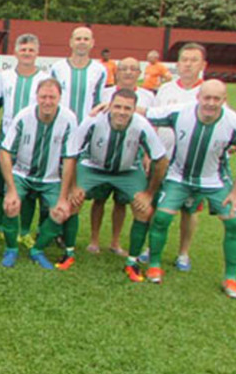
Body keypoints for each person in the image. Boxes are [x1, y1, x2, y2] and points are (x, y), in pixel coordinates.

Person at [143, 80, 236, 299]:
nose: (211, 103)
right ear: (198, 97)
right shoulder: (180, 112)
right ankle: (154, 264)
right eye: (207, 97)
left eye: (217, 99)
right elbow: (146, 112)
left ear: (225, 100)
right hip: (178, 178)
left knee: (235, 224)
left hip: (215, 182)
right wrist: (108, 106)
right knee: (161, 218)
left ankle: (230, 277)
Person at [66, 89, 169, 280]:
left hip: (127, 171)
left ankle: (132, 261)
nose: (122, 112)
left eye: (127, 108)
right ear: (110, 106)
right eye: (118, 106)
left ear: (134, 110)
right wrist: (73, 187)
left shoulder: (142, 125)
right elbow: (71, 153)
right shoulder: (93, 121)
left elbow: (161, 160)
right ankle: (69, 253)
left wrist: (149, 193)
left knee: (144, 210)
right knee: (72, 201)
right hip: (93, 167)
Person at [0, 78, 80, 270]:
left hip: (51, 178)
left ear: (60, 97)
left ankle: (38, 250)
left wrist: (63, 197)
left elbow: (69, 159)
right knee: (10, 205)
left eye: (52, 97)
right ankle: (11, 249)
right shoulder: (24, 116)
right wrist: (11, 189)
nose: (47, 101)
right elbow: (5, 151)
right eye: (43, 97)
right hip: (22, 174)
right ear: (37, 97)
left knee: (61, 212)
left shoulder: (68, 119)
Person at [140, 42, 207, 271]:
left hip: (193, 163)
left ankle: (183, 253)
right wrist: (149, 154)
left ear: (202, 64)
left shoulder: (207, 91)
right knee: (156, 203)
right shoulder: (167, 89)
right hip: (163, 158)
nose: (188, 64)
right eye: (184, 59)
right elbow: (153, 123)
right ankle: (151, 247)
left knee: (189, 210)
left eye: (193, 60)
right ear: (178, 64)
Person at [88, 57, 158, 254]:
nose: (128, 72)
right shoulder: (105, 93)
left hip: (131, 159)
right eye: (124, 68)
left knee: (122, 202)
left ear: (139, 73)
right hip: (102, 156)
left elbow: (152, 128)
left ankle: (115, 242)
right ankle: (94, 240)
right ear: (117, 72)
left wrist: (147, 155)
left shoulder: (148, 96)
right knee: (99, 200)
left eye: (133, 69)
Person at [0, 34, 50, 247]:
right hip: (6, 139)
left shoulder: (44, 78)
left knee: (29, 188)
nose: (27, 54)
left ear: (37, 53)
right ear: (15, 52)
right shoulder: (4, 76)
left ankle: (24, 231)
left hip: (32, 142)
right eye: (23, 50)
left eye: (31, 50)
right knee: (1, 186)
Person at [50, 26, 108, 124]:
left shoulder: (99, 70)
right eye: (78, 39)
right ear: (71, 42)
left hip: (87, 125)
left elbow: (98, 101)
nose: (82, 42)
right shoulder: (57, 68)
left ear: (92, 43)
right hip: (60, 124)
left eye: (86, 39)